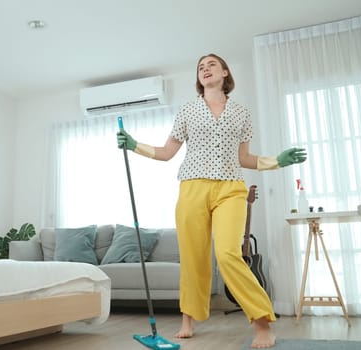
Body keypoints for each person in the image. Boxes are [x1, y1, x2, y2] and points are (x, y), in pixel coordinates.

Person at [117, 53, 306, 348]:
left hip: (230, 189)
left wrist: (276, 161)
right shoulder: (188, 110)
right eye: (200, 67)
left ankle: (262, 323)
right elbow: (167, 153)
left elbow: (244, 158)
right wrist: (134, 145)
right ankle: (188, 320)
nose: (205, 69)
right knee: (193, 257)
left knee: (229, 254)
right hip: (192, 189)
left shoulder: (242, 113)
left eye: (211, 65)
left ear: (225, 72)